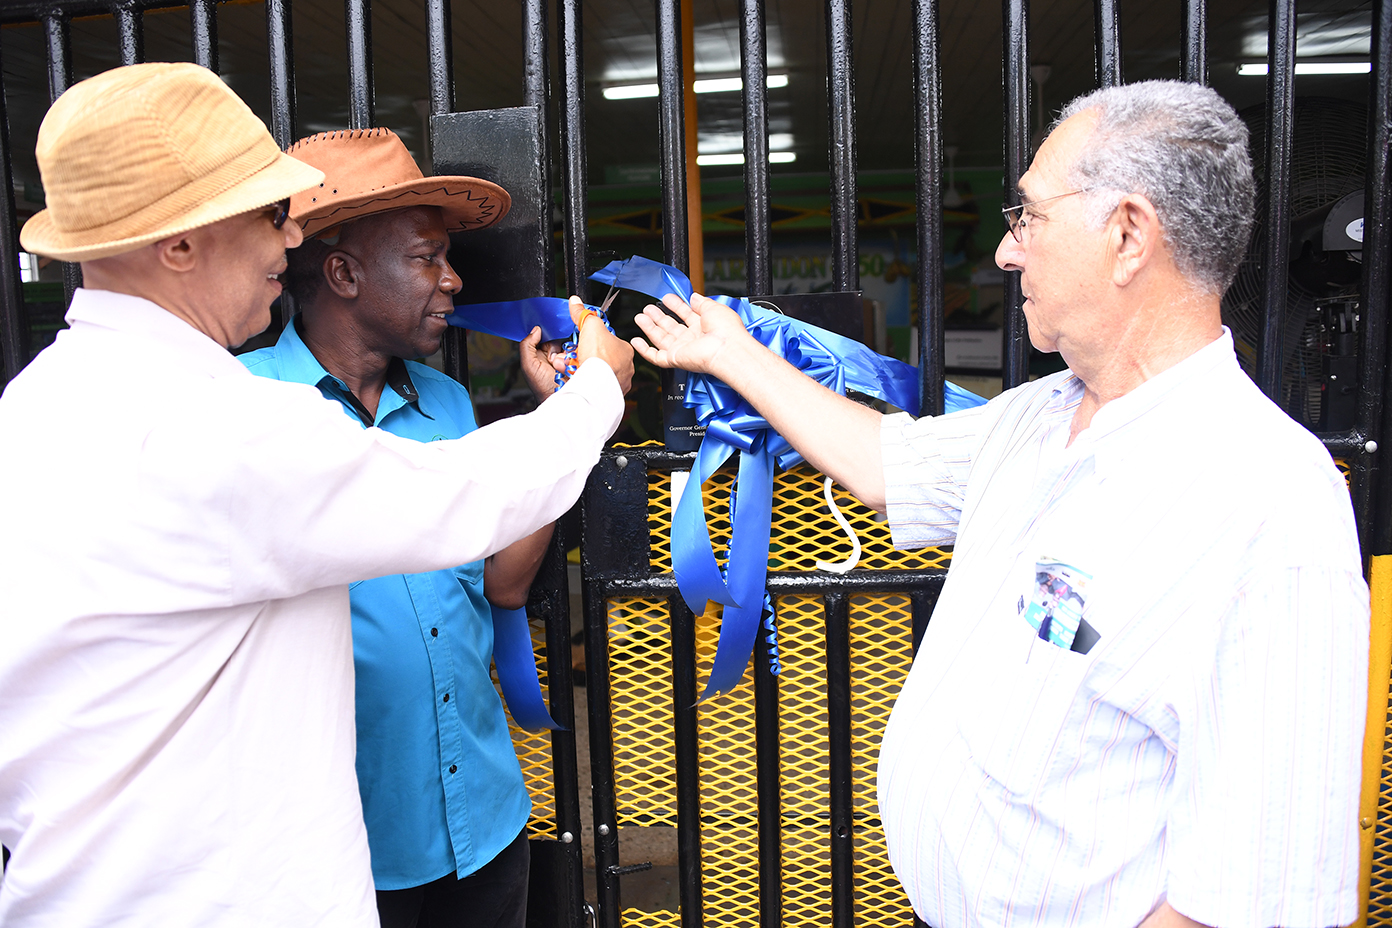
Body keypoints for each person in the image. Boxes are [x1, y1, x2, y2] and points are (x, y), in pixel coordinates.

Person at [632, 80, 1368, 928]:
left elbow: (1251, 904)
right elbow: (883, 463)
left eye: (1029, 218)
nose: (1006, 254)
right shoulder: (1037, 415)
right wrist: (732, 356)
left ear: (1127, 235)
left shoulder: (1267, 505)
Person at [0, 63, 632, 928]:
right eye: (267, 215)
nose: (285, 244)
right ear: (178, 243)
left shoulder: (39, 404)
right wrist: (597, 393)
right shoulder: (212, 424)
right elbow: (458, 495)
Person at [240, 127, 562, 928]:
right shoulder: (242, 410)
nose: (452, 280)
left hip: (483, 822)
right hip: (342, 849)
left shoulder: (447, 406)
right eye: (426, 257)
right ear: (343, 273)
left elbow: (502, 581)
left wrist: (560, 421)